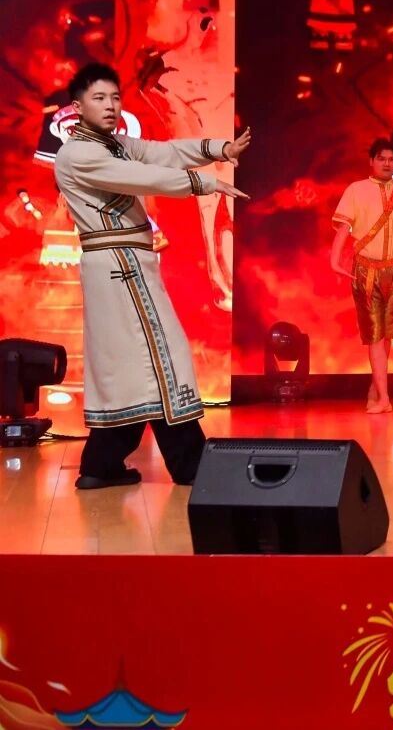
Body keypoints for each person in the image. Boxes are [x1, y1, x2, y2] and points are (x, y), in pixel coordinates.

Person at [53, 63, 250, 489]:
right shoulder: (78, 154)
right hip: (118, 265)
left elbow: (163, 154)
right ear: (77, 107)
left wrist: (219, 149)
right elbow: (141, 176)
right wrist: (203, 184)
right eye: (99, 98)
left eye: (115, 97)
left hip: (126, 262)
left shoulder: (116, 145)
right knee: (163, 356)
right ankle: (190, 463)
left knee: (131, 366)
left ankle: (102, 464)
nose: (110, 106)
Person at [330, 137, 393, 413]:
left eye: (391, 159)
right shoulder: (356, 189)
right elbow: (344, 229)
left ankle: (377, 389)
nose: (387, 164)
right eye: (382, 159)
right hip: (367, 270)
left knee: (387, 336)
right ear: (371, 161)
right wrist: (334, 259)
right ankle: (385, 398)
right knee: (375, 336)